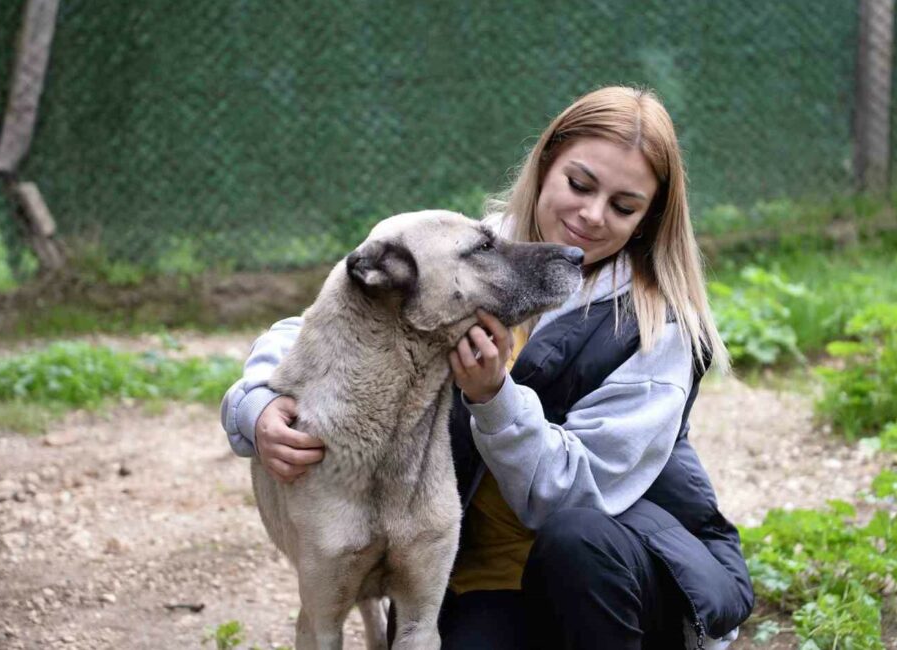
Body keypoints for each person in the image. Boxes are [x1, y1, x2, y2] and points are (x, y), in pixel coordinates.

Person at [221, 86, 753, 649]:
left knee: (579, 539)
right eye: (579, 184)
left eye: (624, 207)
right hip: (488, 583)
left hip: (617, 579)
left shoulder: (656, 326)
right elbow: (339, 321)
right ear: (545, 166)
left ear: (647, 219)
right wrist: (253, 404)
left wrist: (495, 397)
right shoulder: (467, 258)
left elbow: (571, 497)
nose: (591, 216)